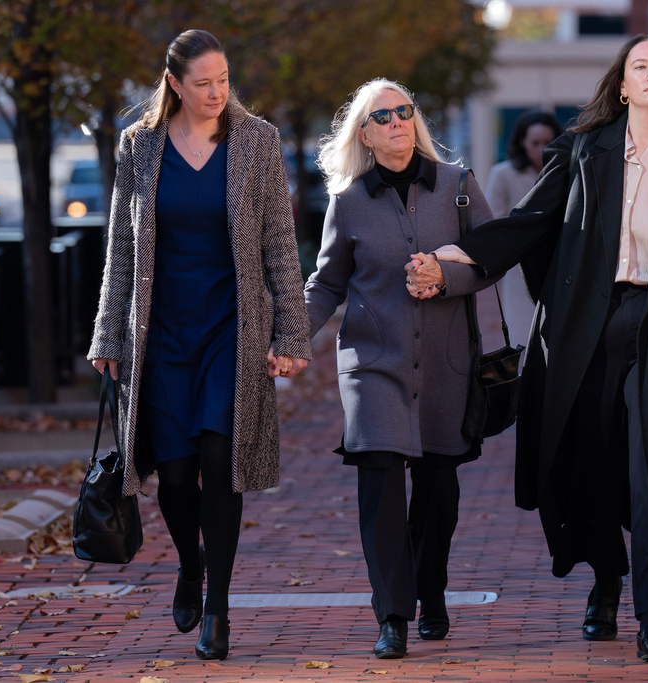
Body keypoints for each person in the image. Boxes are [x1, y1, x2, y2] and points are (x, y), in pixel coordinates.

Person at [406, 34, 648, 664]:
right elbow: (529, 222)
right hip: (587, 328)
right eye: (639, 67)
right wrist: (457, 257)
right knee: (590, 461)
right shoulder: (579, 151)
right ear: (621, 85)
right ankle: (605, 579)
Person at [87, 29, 311, 661]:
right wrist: (108, 332)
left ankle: (218, 609)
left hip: (229, 332)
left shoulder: (256, 140)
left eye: (224, 80)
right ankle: (192, 564)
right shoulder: (140, 146)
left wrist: (291, 334)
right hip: (159, 334)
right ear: (175, 85)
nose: (217, 93)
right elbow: (122, 247)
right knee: (176, 477)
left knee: (221, 462)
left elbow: (276, 243)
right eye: (204, 83)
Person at [304, 78, 496, 660]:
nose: (396, 122)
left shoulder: (458, 187)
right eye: (382, 116)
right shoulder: (350, 201)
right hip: (372, 363)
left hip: (444, 362)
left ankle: (428, 588)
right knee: (381, 478)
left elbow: (491, 259)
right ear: (364, 133)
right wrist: (287, 337)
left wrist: (448, 277)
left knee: (438, 488)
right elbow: (328, 283)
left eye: (404, 111)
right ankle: (392, 613)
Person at [484, 110, 563, 343]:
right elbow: (493, 221)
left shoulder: (566, 171)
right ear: (522, 142)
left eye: (547, 142)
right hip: (520, 270)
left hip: (561, 265)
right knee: (524, 338)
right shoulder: (503, 174)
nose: (541, 149)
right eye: (535, 143)